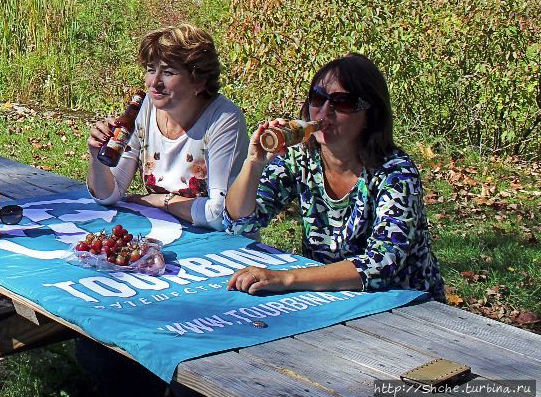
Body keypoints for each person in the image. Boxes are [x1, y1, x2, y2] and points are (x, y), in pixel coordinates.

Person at [224, 53, 445, 300]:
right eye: (318, 99)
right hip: (327, 298)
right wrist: (253, 163)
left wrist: (285, 278)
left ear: (370, 115)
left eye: (343, 103)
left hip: (403, 305)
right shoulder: (302, 158)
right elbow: (240, 222)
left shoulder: (395, 173)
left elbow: (381, 264)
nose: (324, 112)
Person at [87, 24, 248, 231]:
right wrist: (97, 158)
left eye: (168, 72)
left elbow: (220, 214)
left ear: (198, 81)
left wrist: (162, 201)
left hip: (222, 247)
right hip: (164, 235)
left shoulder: (223, 119)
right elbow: (110, 194)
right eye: (150, 70)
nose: (154, 82)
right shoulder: (146, 108)